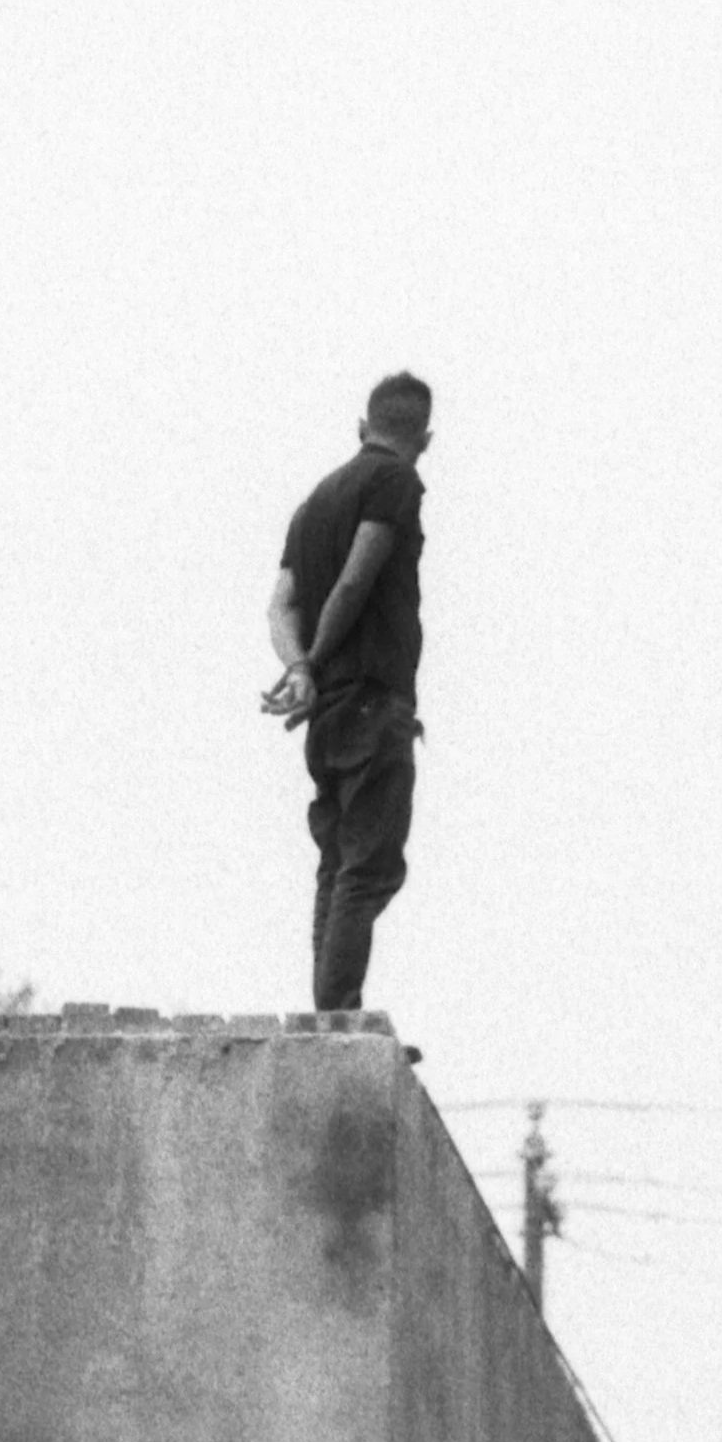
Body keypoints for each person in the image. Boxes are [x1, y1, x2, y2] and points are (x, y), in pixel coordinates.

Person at [262, 373, 432, 1012]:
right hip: (370, 700)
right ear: (425, 439)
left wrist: (302, 669)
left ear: (362, 427)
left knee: (338, 866)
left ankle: (330, 1015)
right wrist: (319, 659)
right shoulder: (396, 482)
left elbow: (281, 604)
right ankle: (337, 1018)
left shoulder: (312, 505)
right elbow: (357, 581)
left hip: (328, 712)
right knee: (367, 866)